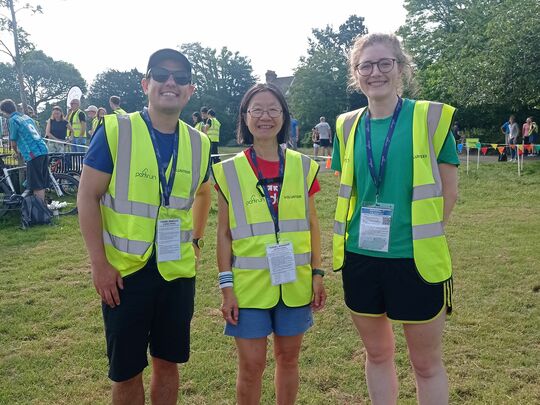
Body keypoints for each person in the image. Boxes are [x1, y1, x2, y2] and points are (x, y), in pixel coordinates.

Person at [77, 48, 212, 404]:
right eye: (161, 74)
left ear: (190, 90)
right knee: (127, 371)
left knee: (168, 362)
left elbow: (203, 193)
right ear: (146, 83)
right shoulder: (117, 130)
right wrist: (99, 265)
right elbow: (87, 197)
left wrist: (196, 240)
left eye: (180, 78)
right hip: (124, 273)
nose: (171, 82)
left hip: (177, 273)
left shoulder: (199, 142)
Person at [331, 33, 459, 405]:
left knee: (426, 364)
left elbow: (448, 193)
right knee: (377, 355)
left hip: (415, 260)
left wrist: (420, 234)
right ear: (356, 74)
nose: (375, 72)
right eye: (365, 66)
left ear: (400, 68)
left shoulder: (430, 117)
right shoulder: (346, 125)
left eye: (384, 63)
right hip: (361, 257)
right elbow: (353, 188)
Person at [212, 83, 326, 405]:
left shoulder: (304, 166)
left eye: (273, 109)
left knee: (288, 360)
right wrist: (226, 288)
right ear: (245, 118)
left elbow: (313, 223)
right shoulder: (228, 171)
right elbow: (223, 234)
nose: (265, 116)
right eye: (257, 110)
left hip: (295, 282)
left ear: (284, 116)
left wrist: (318, 273)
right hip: (248, 288)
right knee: (251, 365)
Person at [1, 99, 49, 201]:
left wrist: (17, 152)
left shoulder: (13, 120)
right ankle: (43, 206)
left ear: (4, 111)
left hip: (33, 153)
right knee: (41, 182)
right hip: (43, 149)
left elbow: (13, 142)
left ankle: (39, 211)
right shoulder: (25, 117)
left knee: (37, 185)